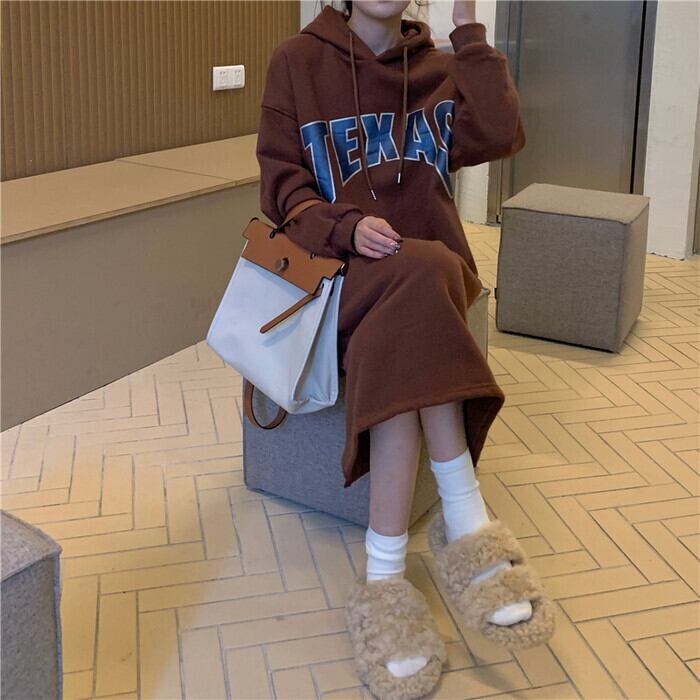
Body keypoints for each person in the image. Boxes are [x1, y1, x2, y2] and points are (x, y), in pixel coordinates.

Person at [256, 2, 554, 697]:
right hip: (339, 278)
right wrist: (346, 227)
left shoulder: (442, 67)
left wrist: (470, 32)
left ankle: (384, 578)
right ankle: (467, 523)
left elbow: (502, 135)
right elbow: (281, 187)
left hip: (426, 284)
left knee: (417, 291)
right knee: (421, 282)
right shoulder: (296, 62)